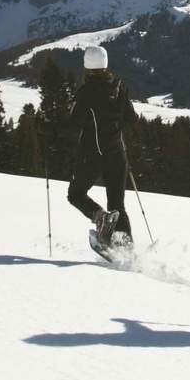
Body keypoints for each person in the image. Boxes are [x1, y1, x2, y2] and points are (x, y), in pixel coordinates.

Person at [67, 45, 138, 255]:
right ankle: (128, 252)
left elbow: (73, 124)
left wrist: (46, 127)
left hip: (93, 155)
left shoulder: (86, 92)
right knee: (118, 204)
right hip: (117, 153)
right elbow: (131, 118)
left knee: (76, 194)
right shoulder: (119, 86)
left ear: (87, 65)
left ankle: (100, 218)